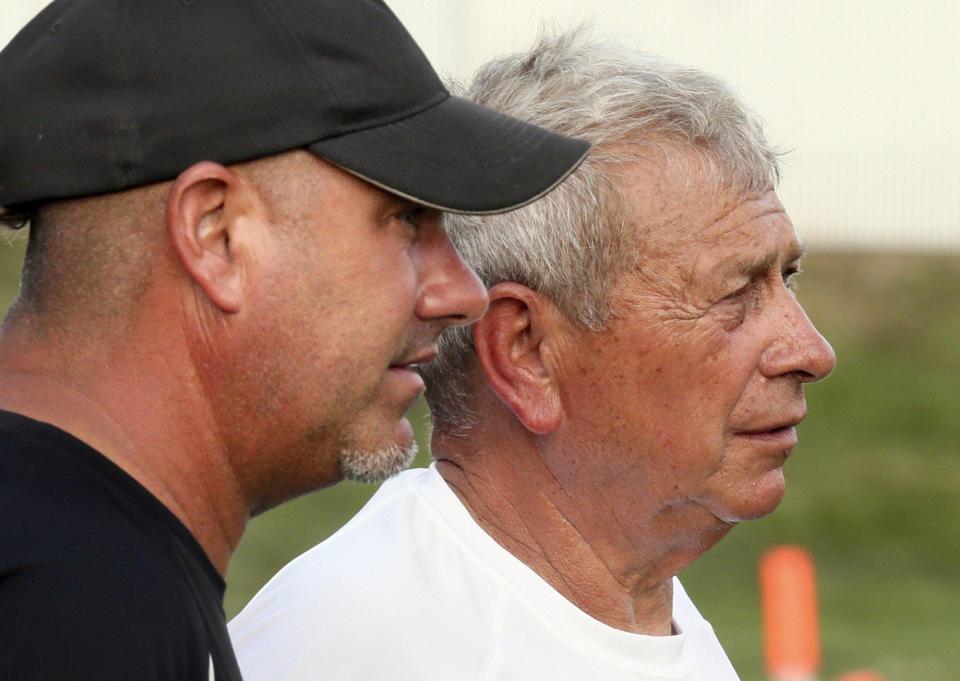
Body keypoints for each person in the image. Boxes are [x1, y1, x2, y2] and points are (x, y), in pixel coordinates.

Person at [0, 1, 588, 678]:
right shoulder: (84, 606)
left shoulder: (72, 566)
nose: (462, 292)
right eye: (403, 217)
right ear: (216, 234)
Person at [229, 29, 837, 681]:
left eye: (786, 276)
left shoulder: (618, 603)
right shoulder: (358, 648)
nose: (811, 350)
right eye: (736, 291)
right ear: (527, 354)